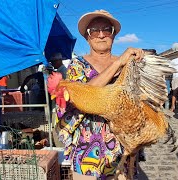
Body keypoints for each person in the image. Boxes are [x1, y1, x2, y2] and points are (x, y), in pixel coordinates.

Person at [56, 10, 144, 179]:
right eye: (95, 31)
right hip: (86, 146)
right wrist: (118, 63)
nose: (101, 35)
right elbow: (84, 95)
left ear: (113, 34)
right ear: (87, 37)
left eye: (107, 30)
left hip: (120, 149)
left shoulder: (128, 64)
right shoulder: (78, 64)